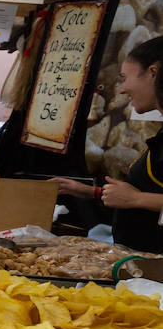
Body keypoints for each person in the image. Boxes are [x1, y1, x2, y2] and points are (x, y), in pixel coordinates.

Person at [53, 35, 163, 252]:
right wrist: (93, 193)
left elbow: (139, 196)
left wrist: (137, 199)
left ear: (153, 73)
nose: (122, 89)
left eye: (125, 77)